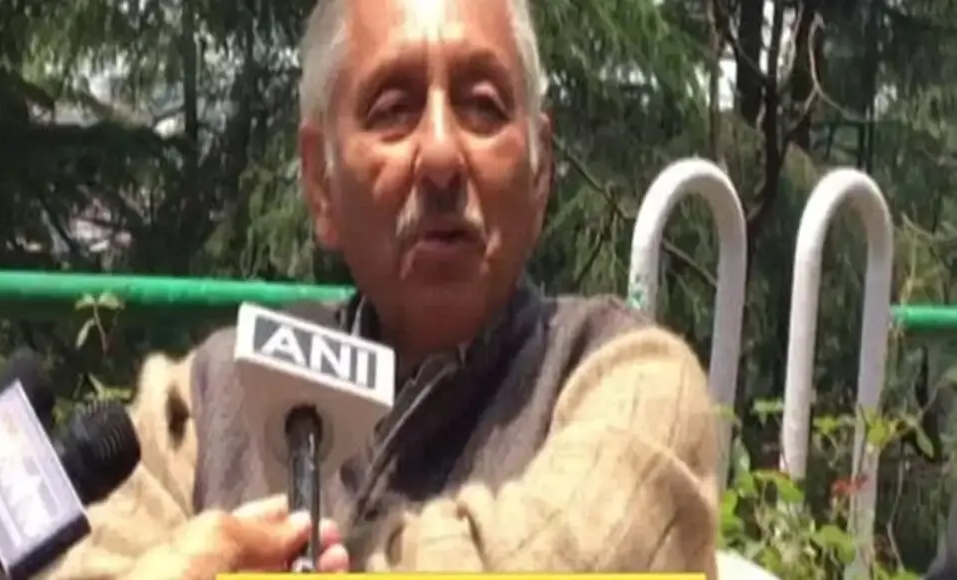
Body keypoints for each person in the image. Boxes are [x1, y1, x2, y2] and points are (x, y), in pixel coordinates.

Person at [42, 0, 720, 576]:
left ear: (540, 172)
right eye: (393, 110)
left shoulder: (628, 382)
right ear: (320, 182)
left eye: (483, 107)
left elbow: (566, 554)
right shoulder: (208, 399)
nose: (442, 156)